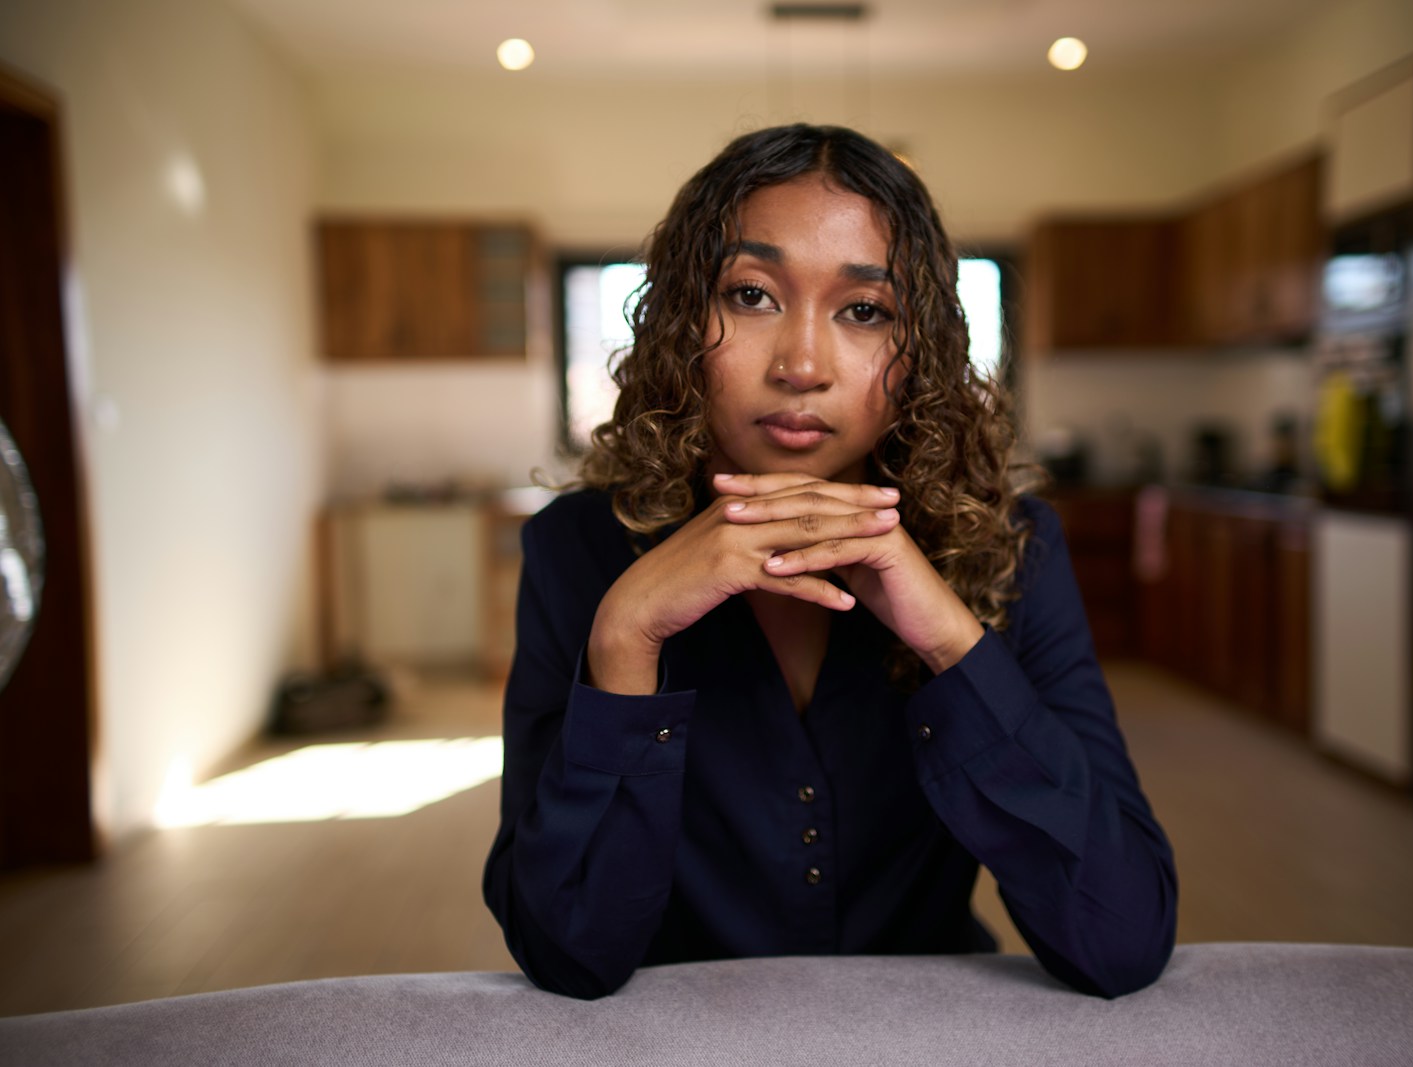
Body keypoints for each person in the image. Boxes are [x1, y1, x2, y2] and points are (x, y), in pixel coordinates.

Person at [483, 123, 1176, 1001]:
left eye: (864, 310)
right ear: (677, 322)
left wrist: (952, 645)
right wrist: (624, 639)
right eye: (750, 294)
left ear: (918, 350)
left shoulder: (1014, 548)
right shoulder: (577, 549)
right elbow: (566, 951)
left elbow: (1123, 938)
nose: (802, 365)